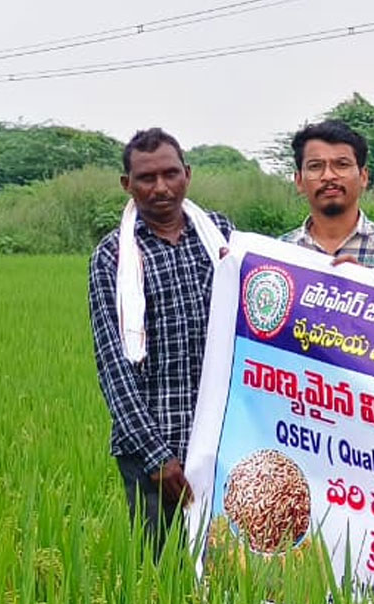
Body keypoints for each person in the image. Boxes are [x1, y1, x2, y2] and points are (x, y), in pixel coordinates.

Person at [88, 128, 234, 557]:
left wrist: (337, 275)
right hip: (153, 451)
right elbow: (114, 367)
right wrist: (157, 457)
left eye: (171, 174)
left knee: (231, 570)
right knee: (163, 573)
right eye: (146, 178)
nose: (161, 188)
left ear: (187, 174)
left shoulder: (221, 237)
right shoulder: (113, 257)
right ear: (126, 185)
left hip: (222, 441)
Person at [282, 119, 374, 282]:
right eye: (315, 166)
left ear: (363, 177)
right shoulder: (279, 254)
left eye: (341, 164)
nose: (328, 176)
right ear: (299, 181)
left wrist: (367, 287)